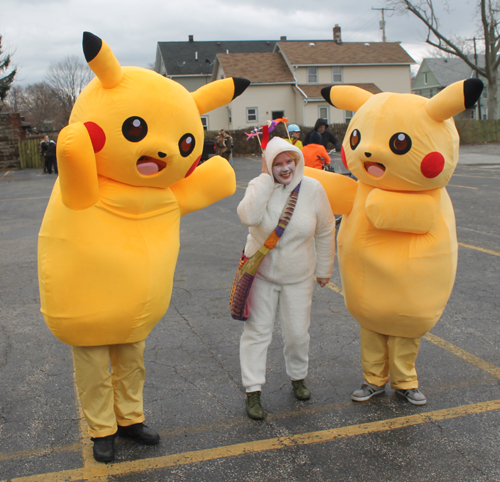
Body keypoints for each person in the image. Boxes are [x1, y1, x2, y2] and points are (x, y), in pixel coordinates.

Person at [237, 137, 336, 420]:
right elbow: (248, 216)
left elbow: (326, 229)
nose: (284, 168)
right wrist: (265, 182)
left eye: (289, 162)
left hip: (299, 276)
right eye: (277, 164)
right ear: (269, 165)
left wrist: (324, 269)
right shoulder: (259, 186)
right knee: (257, 334)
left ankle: (298, 377)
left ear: (297, 161)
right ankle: (253, 390)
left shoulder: (314, 189)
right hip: (262, 276)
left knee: (296, 333)